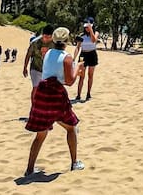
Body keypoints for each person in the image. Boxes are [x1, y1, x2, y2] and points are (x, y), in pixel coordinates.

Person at [24, 27, 85, 175]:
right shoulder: (67, 57)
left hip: (42, 94)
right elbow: (69, 82)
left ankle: (30, 169)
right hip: (56, 96)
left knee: (40, 134)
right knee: (71, 127)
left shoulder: (48, 53)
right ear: (66, 41)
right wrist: (78, 68)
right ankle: (74, 162)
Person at [23, 25, 55, 102]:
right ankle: (34, 107)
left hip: (48, 70)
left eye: (49, 37)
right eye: (45, 37)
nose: (47, 39)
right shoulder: (35, 42)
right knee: (36, 87)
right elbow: (28, 55)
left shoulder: (54, 43)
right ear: (42, 34)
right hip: (36, 67)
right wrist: (25, 68)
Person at [75, 18, 99, 102]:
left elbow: (93, 41)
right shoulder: (82, 35)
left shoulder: (95, 33)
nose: (87, 28)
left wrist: (91, 30)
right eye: (86, 27)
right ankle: (78, 94)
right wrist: (74, 57)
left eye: (88, 27)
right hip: (83, 55)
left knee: (90, 75)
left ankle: (88, 93)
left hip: (92, 54)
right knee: (81, 76)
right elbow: (78, 47)